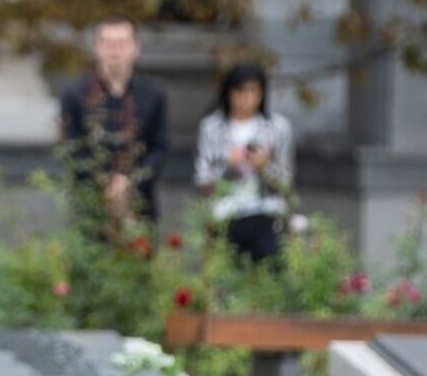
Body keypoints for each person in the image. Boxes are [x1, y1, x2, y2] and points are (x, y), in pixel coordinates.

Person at [58, 18, 170, 224]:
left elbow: (159, 149)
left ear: (136, 48)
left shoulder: (153, 95)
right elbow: (71, 148)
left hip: (139, 205)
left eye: (122, 44)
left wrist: (130, 182)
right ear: (96, 48)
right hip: (90, 207)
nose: (114, 51)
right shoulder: (75, 95)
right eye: (108, 43)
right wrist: (105, 183)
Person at [195, 61, 295, 264]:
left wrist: (264, 166)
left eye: (253, 91)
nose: (246, 98)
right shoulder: (211, 128)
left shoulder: (277, 128)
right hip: (224, 213)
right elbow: (202, 179)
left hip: (265, 211)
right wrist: (227, 166)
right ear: (229, 93)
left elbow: (286, 182)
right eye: (240, 91)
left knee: (271, 266)